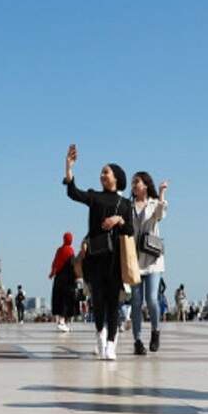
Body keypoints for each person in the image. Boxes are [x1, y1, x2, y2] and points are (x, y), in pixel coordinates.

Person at [63, 144, 135, 361]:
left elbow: (130, 230)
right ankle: (100, 335)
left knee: (113, 302)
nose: (102, 174)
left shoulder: (124, 204)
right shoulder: (94, 197)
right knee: (98, 301)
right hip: (95, 257)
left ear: (117, 177)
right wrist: (69, 167)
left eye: (106, 171)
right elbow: (73, 193)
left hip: (114, 260)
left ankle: (111, 344)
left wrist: (119, 219)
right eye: (102, 172)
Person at [128, 171, 169, 355]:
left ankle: (155, 330)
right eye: (133, 182)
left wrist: (161, 194)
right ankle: (137, 340)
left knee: (152, 299)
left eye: (137, 182)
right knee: (136, 301)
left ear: (145, 185)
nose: (134, 185)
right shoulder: (128, 206)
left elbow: (160, 215)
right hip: (134, 260)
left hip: (152, 259)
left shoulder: (154, 204)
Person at [49, 232, 77, 332]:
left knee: (59, 299)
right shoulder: (71, 250)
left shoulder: (59, 250)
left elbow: (55, 263)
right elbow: (73, 265)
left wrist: (52, 273)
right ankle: (62, 322)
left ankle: (62, 322)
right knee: (66, 300)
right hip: (68, 279)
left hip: (59, 278)